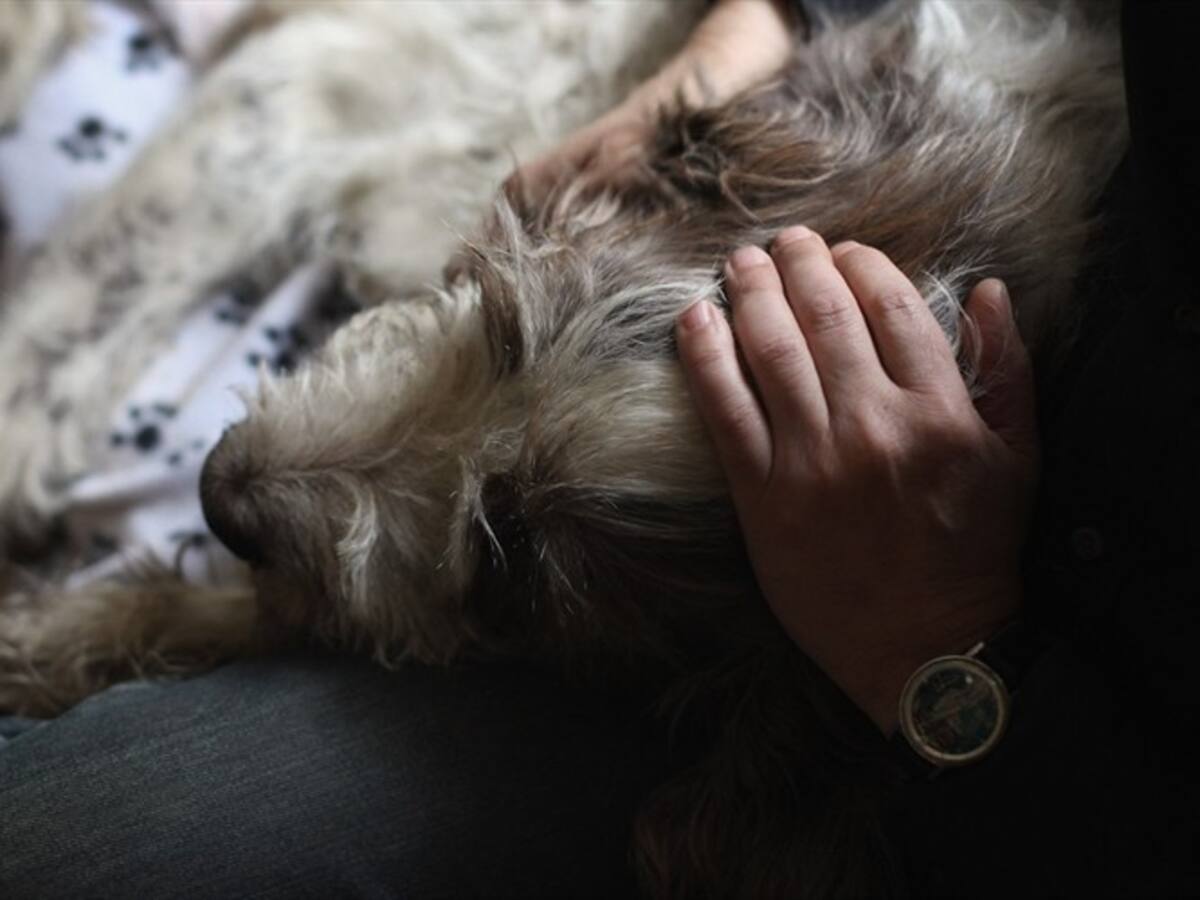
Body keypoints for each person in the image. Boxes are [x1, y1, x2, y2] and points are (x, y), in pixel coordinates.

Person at [2, 2, 1197, 898]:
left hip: (999, 728)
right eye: (501, 323)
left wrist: (936, 653)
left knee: (50, 845)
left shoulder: (776, 703)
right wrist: (746, 37)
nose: (248, 480)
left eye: (509, 555)